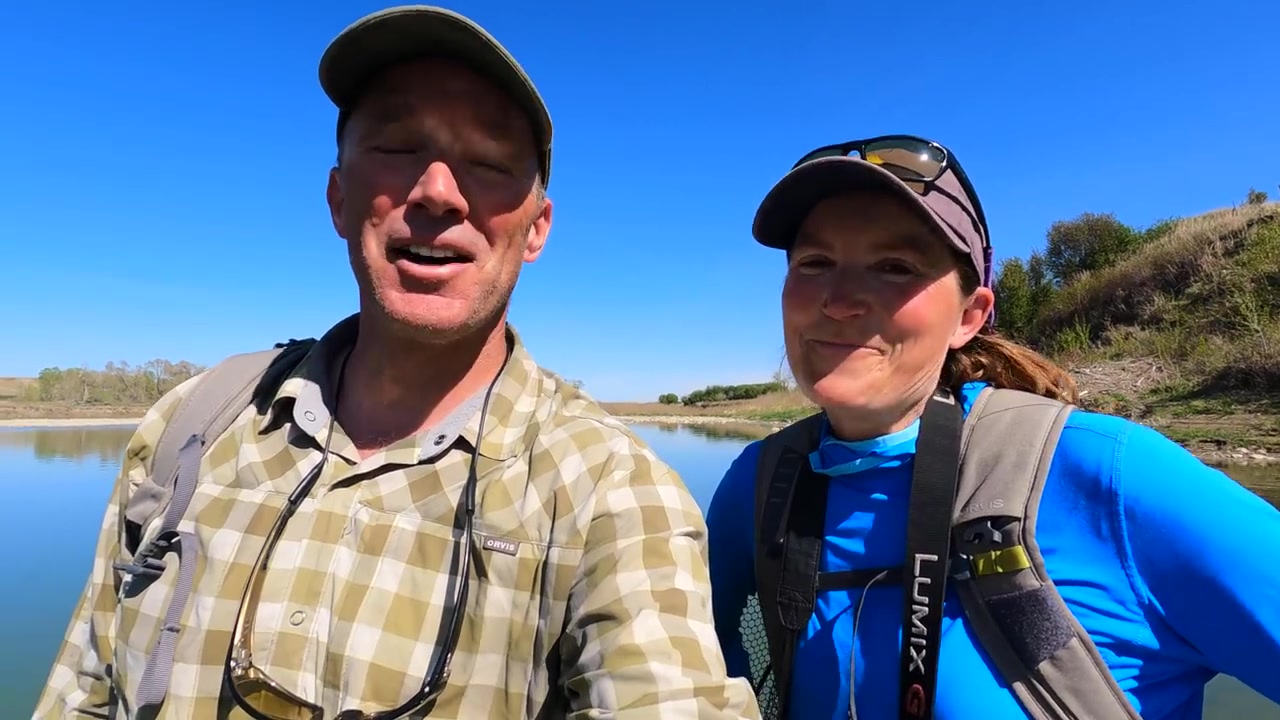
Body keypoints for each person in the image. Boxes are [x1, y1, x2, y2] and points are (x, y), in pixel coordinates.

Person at [32, 6, 760, 719]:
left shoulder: (613, 494)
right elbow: (83, 691)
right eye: (398, 145)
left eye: (489, 162)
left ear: (536, 230)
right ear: (339, 198)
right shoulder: (190, 425)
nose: (439, 191)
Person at [705, 134, 1280, 720]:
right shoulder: (759, 484)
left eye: (894, 267)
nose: (840, 299)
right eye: (815, 262)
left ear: (970, 316)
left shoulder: (1110, 476)